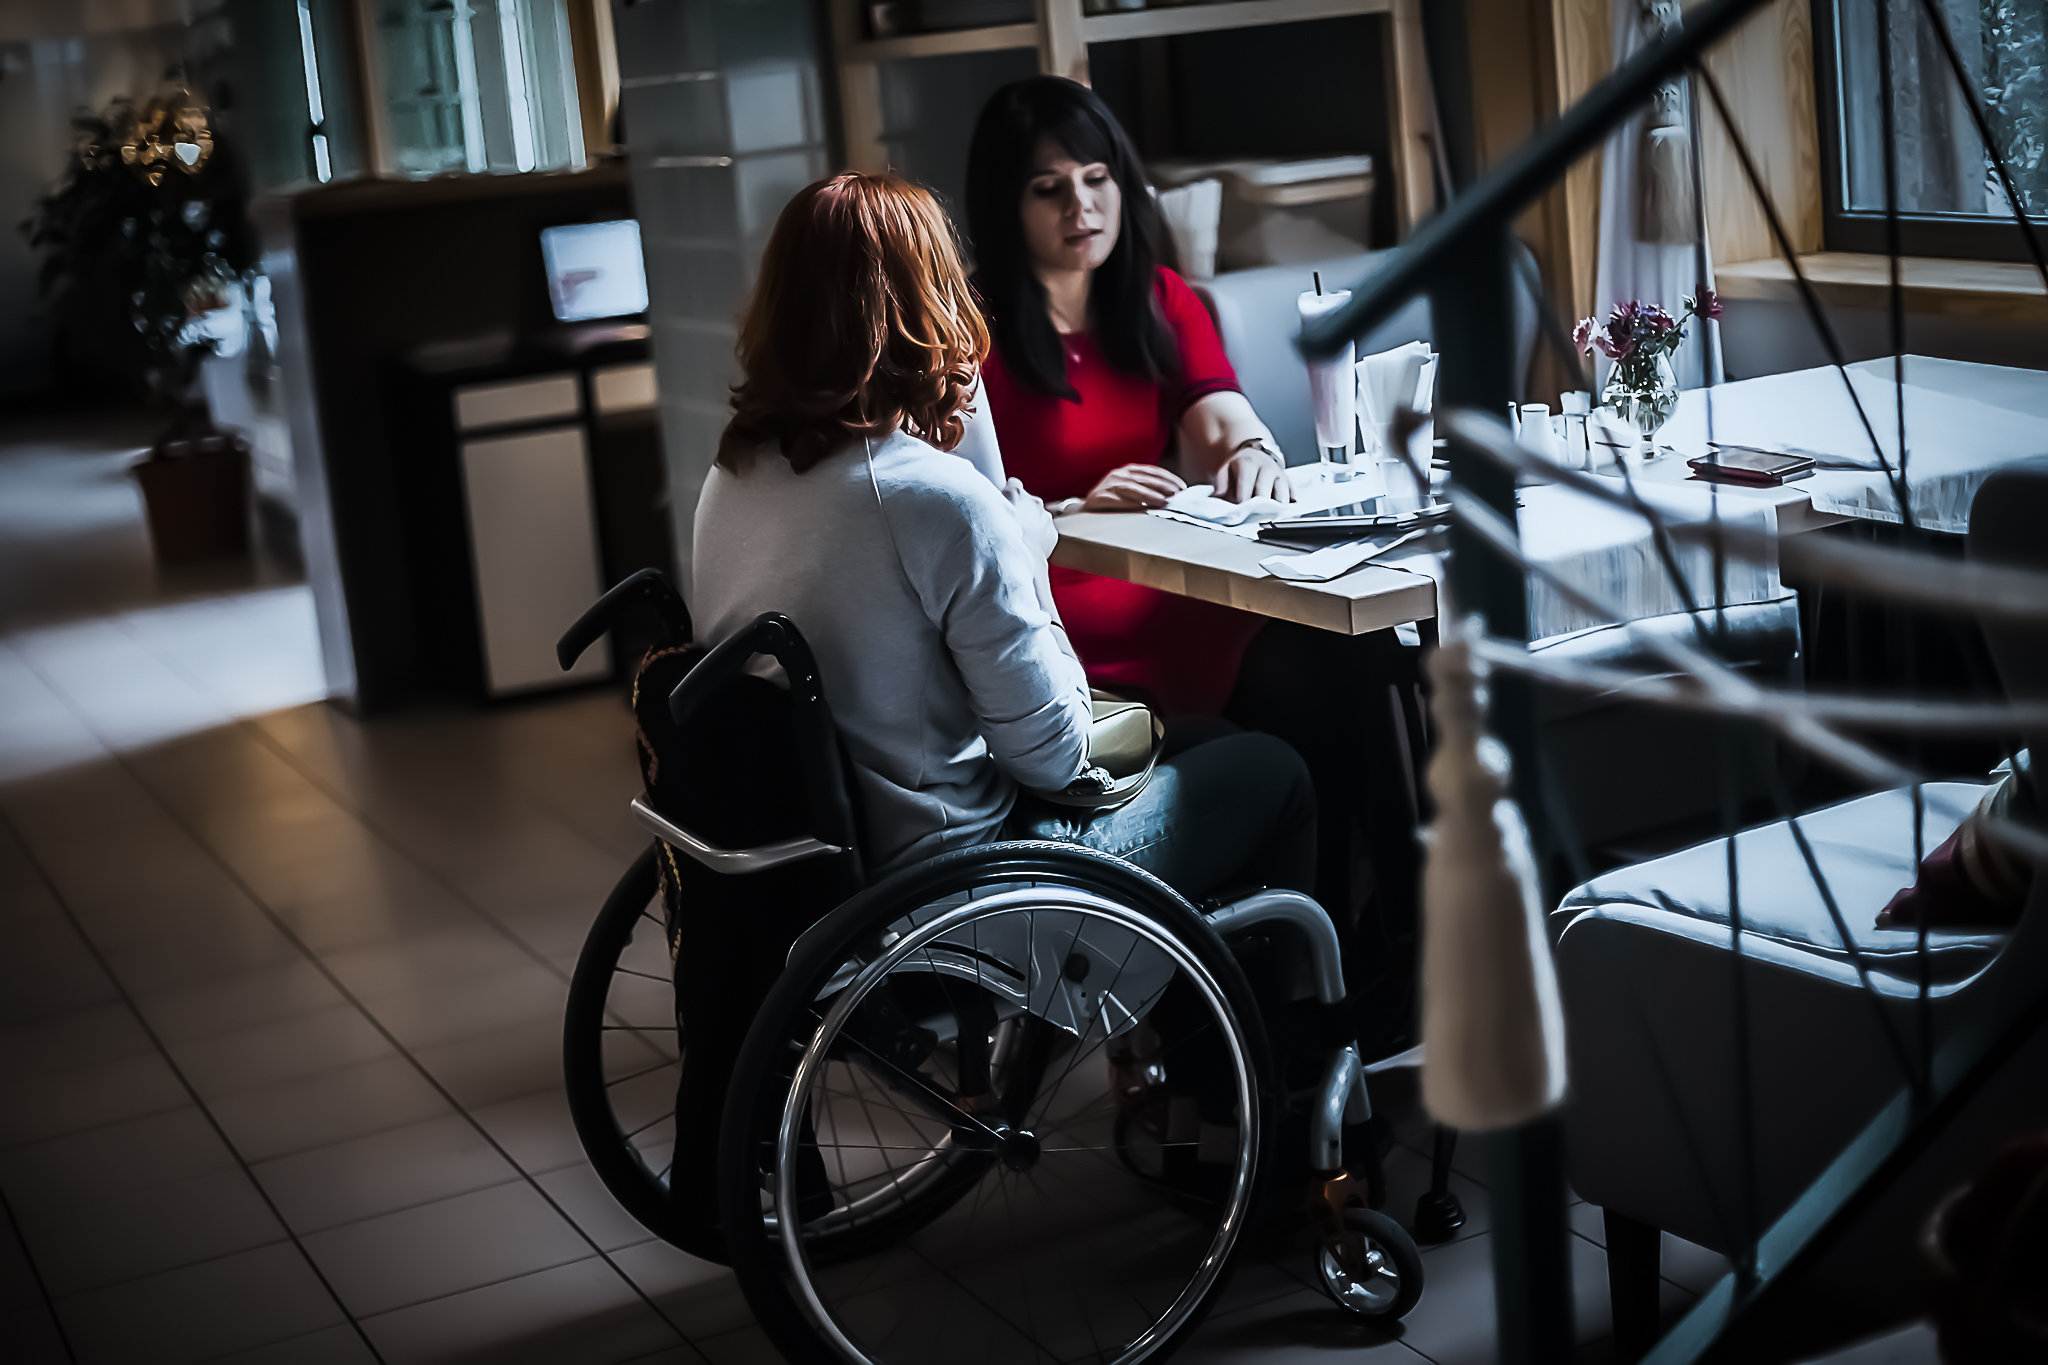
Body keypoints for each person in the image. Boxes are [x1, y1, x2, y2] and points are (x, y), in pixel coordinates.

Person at [691, 171, 1314, 903]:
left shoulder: (731, 475)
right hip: (959, 874)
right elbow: (1059, 759)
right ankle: (1284, 1015)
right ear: (935, 303)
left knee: (1204, 736)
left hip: (820, 864)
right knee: (1276, 772)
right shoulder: (932, 499)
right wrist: (1025, 549)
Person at [965, 76, 1295, 718]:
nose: (1080, 206)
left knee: (1343, 657)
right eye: (1048, 189)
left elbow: (1221, 415)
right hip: (1052, 613)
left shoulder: (1162, 297)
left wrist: (1253, 449)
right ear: (1007, 203)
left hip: (1171, 580)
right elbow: (955, 521)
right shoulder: (970, 331)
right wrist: (1073, 509)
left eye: (1096, 178)